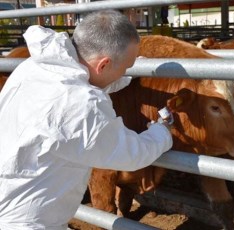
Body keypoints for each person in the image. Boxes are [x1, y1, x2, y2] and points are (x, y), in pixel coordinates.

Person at [0, 10, 173, 229]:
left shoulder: (35, 67)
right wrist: (162, 132)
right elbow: (131, 153)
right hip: (31, 222)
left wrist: (125, 75)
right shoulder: (82, 105)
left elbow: (86, 80)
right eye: (126, 66)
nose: (127, 70)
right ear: (103, 65)